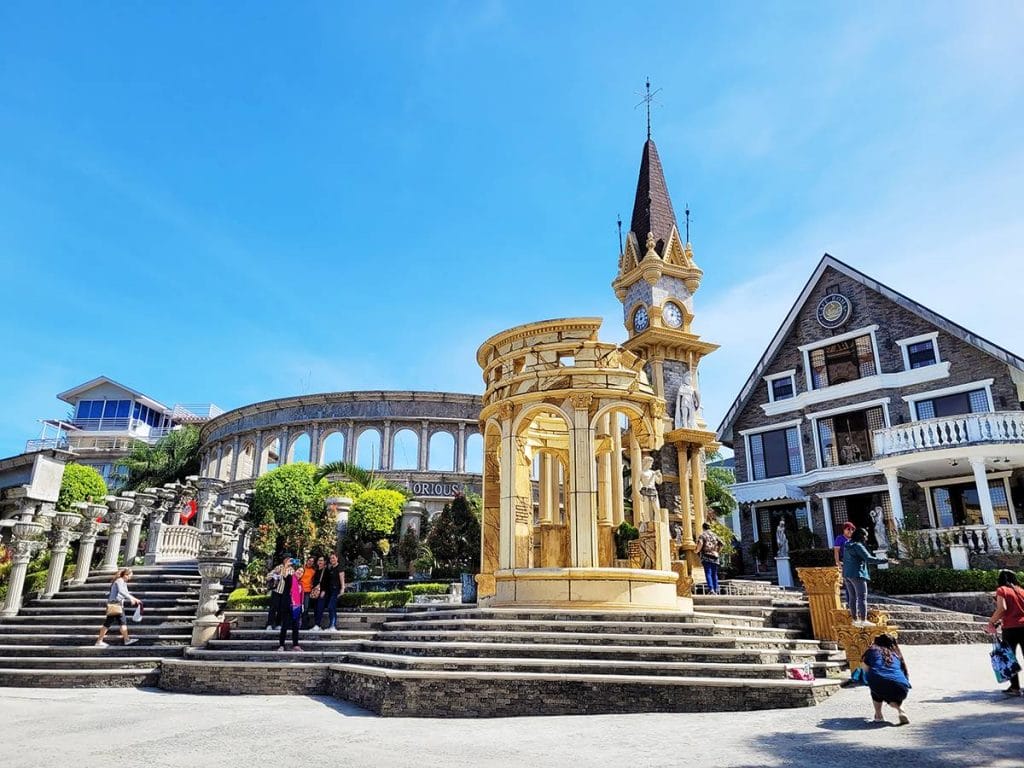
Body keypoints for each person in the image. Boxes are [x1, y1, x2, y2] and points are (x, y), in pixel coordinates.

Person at [986, 569, 1024, 696]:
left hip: (1010, 629)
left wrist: (991, 622)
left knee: (1009, 658)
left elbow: (1002, 608)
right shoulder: (1021, 591)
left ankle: (1015, 688)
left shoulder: (1002, 590)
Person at [860, 633, 911, 725]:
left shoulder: (872, 650)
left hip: (879, 683)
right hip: (902, 688)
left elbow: (865, 668)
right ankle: (901, 710)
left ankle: (878, 715)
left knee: (877, 686)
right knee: (892, 692)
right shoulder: (896, 654)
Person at [842, 528, 890, 626]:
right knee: (862, 597)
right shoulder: (858, 546)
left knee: (852, 598)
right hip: (857, 574)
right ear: (861, 536)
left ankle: (855, 620)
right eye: (865, 536)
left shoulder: (847, 545)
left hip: (847, 574)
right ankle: (863, 620)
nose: (866, 538)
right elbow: (869, 558)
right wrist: (885, 560)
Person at [96, 568, 142, 647]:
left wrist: (133, 599)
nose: (130, 578)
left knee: (119, 623)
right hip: (115, 605)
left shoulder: (123, 582)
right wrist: (132, 599)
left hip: (118, 605)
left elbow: (126, 593)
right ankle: (99, 641)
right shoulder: (119, 580)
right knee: (110, 623)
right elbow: (121, 591)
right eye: (130, 576)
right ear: (126, 575)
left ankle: (126, 640)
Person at [315, 552, 346, 632]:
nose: (332, 559)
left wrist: (342, 588)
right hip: (330, 590)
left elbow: (342, 578)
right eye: (331, 558)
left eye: (333, 558)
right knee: (331, 607)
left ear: (337, 558)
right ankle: (331, 626)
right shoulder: (331, 568)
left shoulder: (340, 567)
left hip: (336, 590)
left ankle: (333, 626)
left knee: (331, 606)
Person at [277, 560, 303, 652]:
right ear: (295, 571)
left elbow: (301, 596)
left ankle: (295, 645)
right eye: (299, 570)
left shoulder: (300, 584)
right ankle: (281, 645)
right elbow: (284, 575)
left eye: (302, 572)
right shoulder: (290, 578)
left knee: (295, 627)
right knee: (284, 626)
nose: (300, 572)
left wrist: (301, 607)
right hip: (287, 606)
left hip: (296, 607)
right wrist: (286, 566)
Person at [694, 522, 723, 595]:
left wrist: (697, 550)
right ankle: (716, 590)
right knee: (714, 574)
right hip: (715, 556)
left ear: (703, 528)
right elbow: (722, 544)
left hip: (706, 556)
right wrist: (717, 551)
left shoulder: (703, 535)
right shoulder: (715, 535)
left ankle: (711, 589)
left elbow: (700, 543)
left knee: (708, 573)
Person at [833, 522, 856, 604]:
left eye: (852, 529)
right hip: (846, 563)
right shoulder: (840, 538)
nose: (850, 531)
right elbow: (836, 551)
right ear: (844, 530)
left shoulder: (854, 539)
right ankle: (850, 603)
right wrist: (838, 563)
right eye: (848, 529)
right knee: (849, 584)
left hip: (855, 563)